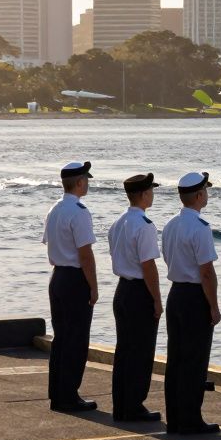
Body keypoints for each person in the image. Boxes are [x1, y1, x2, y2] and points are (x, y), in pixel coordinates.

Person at [161, 171, 221, 435]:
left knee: (176, 359)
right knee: (194, 360)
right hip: (195, 296)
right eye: (205, 190)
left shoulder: (170, 225)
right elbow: (206, 272)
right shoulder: (200, 227)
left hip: (176, 294)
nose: (206, 194)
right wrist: (214, 306)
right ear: (199, 195)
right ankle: (191, 419)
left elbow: (167, 257)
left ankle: (175, 417)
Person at [42, 161, 99, 413]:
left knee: (62, 338)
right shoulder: (79, 212)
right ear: (79, 183)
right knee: (76, 339)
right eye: (86, 179)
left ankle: (58, 392)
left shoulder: (54, 209)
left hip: (58, 277)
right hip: (75, 279)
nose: (87, 183)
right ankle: (69, 395)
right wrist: (94, 286)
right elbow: (85, 254)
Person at [109, 173, 163, 423]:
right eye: (151, 190)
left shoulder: (118, 222)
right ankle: (134, 405)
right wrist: (157, 299)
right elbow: (148, 266)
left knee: (124, 350)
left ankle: (121, 403)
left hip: (122, 289)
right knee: (141, 351)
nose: (153, 194)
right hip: (139, 290)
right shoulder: (144, 225)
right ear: (143, 194)